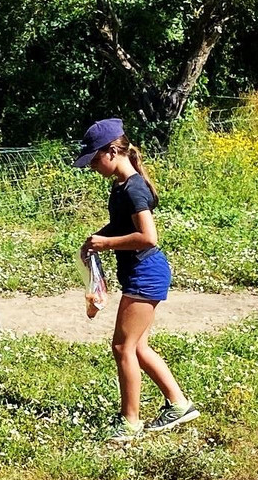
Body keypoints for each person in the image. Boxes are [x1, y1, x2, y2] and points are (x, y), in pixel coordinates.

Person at [73, 117, 199, 441]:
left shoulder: (134, 188)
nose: (92, 167)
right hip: (140, 273)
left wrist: (107, 244)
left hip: (146, 273)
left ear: (112, 151)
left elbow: (148, 237)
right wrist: (96, 240)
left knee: (122, 346)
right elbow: (120, 227)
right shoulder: (120, 186)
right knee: (138, 346)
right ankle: (179, 404)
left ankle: (130, 422)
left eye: (94, 159)